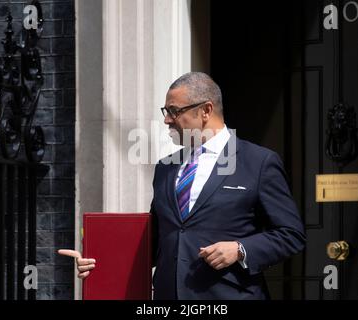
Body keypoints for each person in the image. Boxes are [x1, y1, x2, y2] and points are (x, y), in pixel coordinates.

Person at [59, 72, 305, 300]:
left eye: (174, 111)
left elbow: (291, 234)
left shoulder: (259, 162)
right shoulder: (166, 167)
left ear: (206, 110)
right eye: (165, 111)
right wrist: (100, 261)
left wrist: (240, 249)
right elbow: (157, 240)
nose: (167, 120)